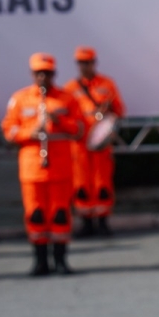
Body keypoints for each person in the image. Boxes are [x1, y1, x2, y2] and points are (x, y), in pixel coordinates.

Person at [1, 53, 86, 276]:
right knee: (35, 215)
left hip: (60, 168)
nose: (43, 77)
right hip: (31, 170)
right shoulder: (20, 99)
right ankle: (40, 262)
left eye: (47, 73)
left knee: (60, 215)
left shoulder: (67, 99)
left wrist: (60, 121)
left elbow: (80, 129)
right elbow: (9, 130)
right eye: (39, 73)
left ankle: (60, 261)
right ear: (32, 74)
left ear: (54, 74)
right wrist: (30, 132)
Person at [64, 46, 125, 237]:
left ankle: (103, 222)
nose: (84, 66)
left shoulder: (107, 84)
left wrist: (108, 111)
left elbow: (120, 111)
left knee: (102, 182)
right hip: (79, 143)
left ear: (94, 63)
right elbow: (67, 115)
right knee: (82, 184)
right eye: (80, 62)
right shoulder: (70, 88)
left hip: (101, 142)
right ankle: (86, 223)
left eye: (87, 62)